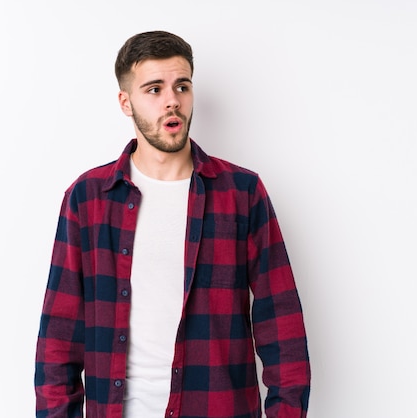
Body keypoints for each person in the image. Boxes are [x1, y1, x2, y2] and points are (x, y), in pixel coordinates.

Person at [34, 30, 310, 418]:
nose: (172, 101)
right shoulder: (87, 198)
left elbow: (282, 326)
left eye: (182, 86)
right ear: (125, 102)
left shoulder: (242, 193)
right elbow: (58, 340)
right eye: (154, 89)